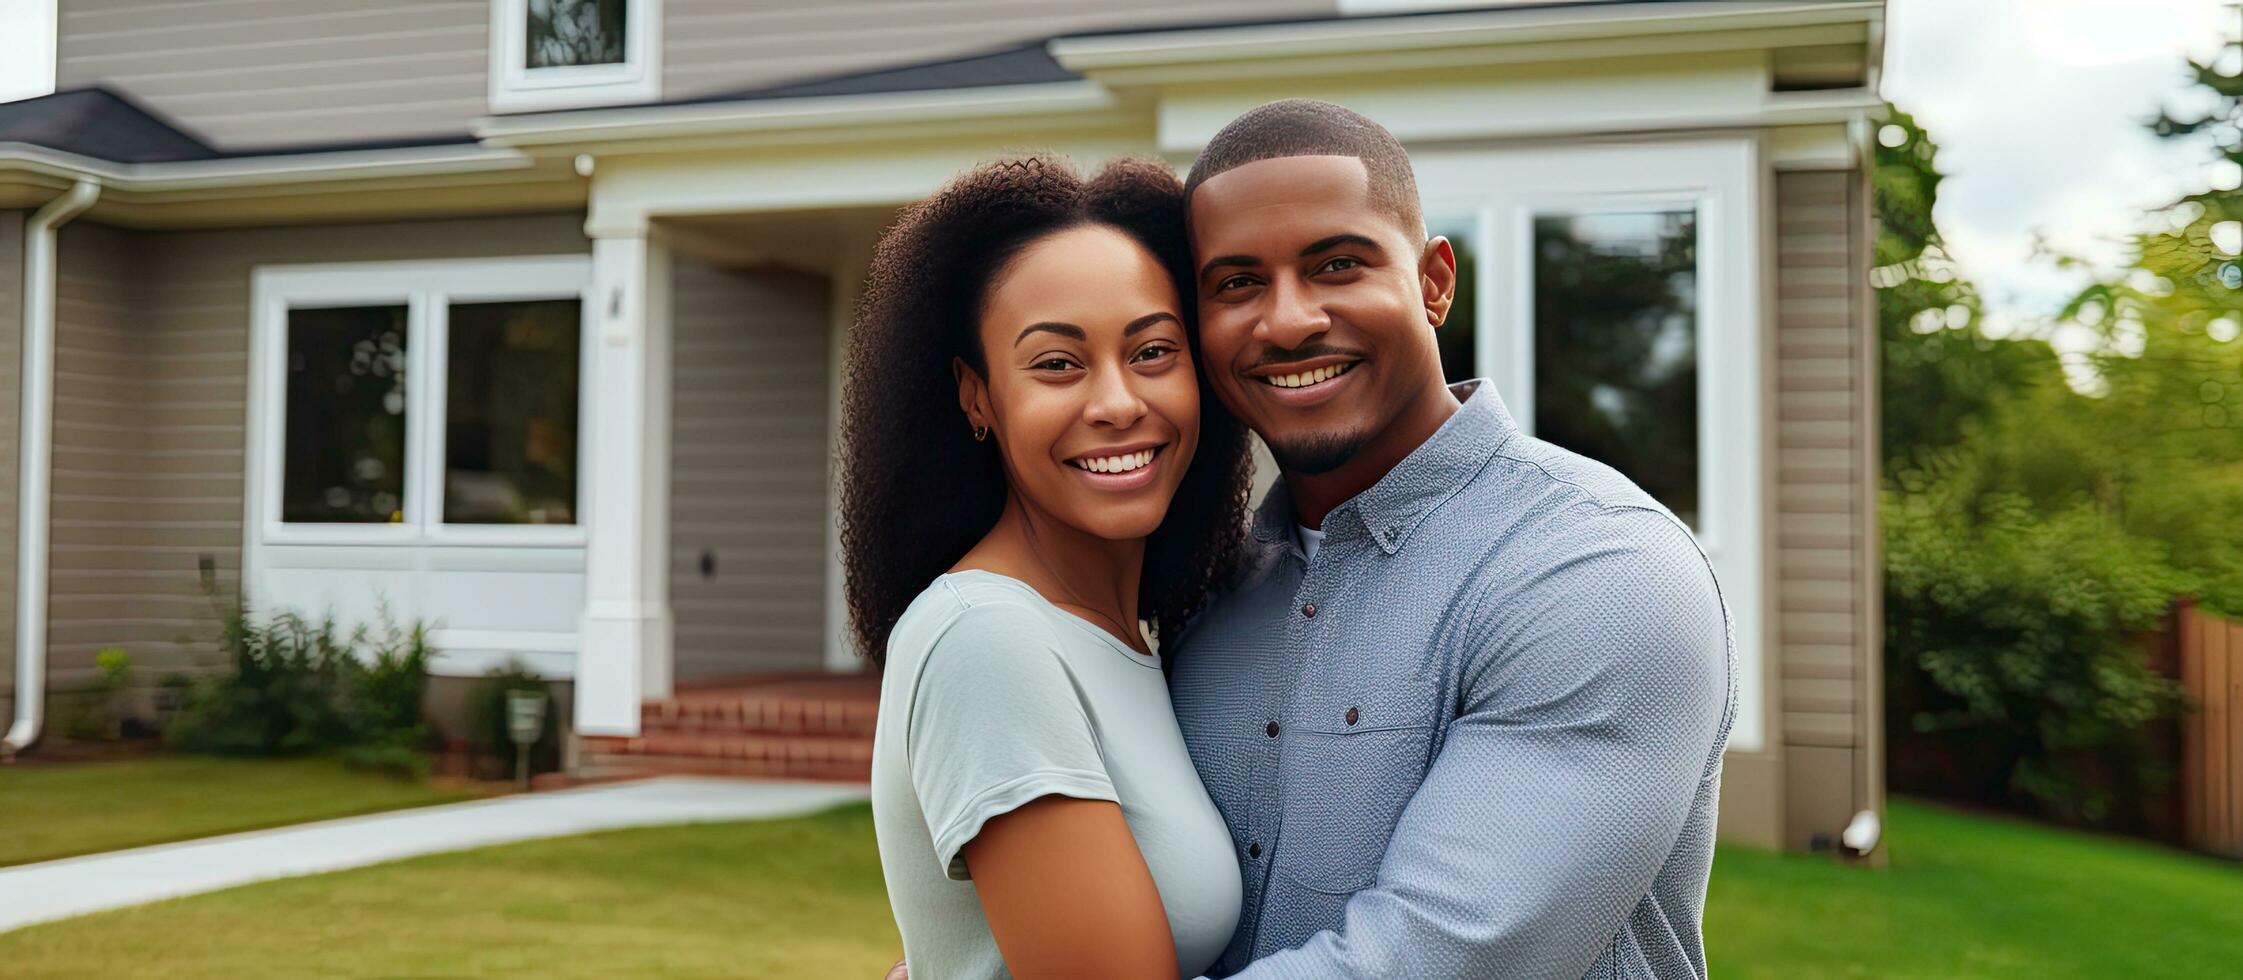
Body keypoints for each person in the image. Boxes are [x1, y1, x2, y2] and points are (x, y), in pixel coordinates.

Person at [1164, 99, 1737, 978]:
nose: (1285, 321)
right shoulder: (1206, 591)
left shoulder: (1598, 571)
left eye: (1337, 265)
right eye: (1235, 283)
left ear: (1434, 282)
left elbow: (1436, 959)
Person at [844, 156, 1258, 980]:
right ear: (977, 396)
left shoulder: (1139, 631)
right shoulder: (988, 643)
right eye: (1057, 364)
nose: (1116, 402)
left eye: (1152, 351)